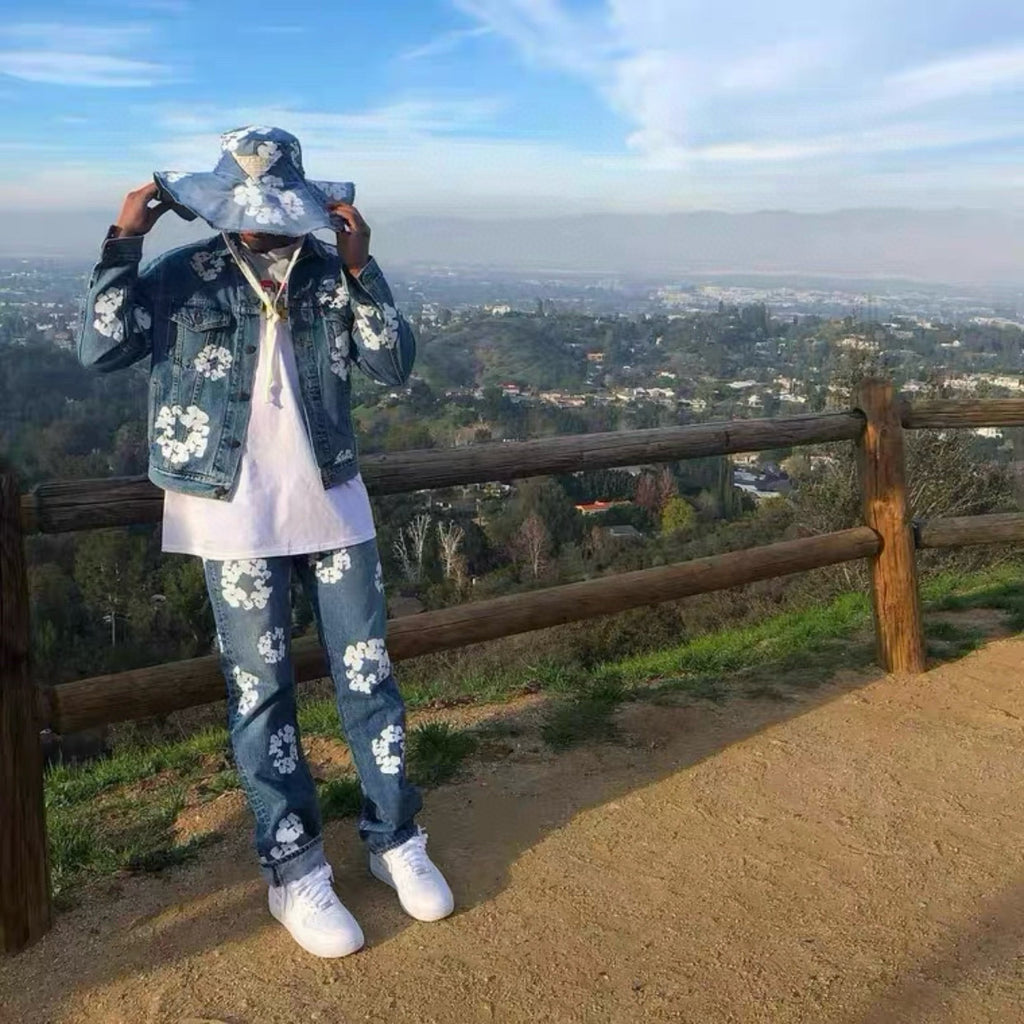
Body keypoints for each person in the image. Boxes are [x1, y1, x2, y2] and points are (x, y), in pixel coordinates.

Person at [77, 125, 453, 959]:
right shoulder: (183, 276)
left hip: (333, 494)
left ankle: (396, 837)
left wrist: (360, 264)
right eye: (244, 207)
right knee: (261, 693)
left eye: (276, 207)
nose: (260, 223)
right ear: (214, 207)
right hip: (229, 508)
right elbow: (99, 347)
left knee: (369, 675)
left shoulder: (329, 277)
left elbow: (394, 364)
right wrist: (125, 239)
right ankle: (294, 867)